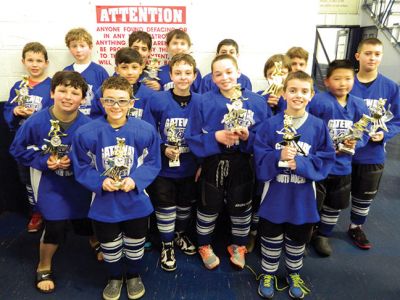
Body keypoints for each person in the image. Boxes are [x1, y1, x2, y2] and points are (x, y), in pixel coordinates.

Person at [72, 76, 161, 300]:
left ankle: (132, 275)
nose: (116, 106)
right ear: (101, 102)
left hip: (135, 199)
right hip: (104, 201)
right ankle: (114, 277)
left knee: (135, 241)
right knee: (109, 245)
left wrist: (137, 180)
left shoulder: (146, 130)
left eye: (122, 101)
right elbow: (81, 165)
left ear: (132, 103)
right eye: (110, 101)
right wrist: (99, 182)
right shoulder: (87, 132)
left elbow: (152, 163)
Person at [9, 71, 93, 294]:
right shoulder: (35, 122)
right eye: (62, 91)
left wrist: (75, 162)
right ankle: (44, 264)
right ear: (52, 92)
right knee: (55, 225)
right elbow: (17, 150)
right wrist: (44, 161)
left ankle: (95, 241)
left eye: (74, 93)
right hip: (50, 183)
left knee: (89, 217)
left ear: (83, 99)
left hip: (79, 184)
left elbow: (96, 156)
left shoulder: (88, 125)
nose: (67, 96)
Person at [254, 71, 335, 299]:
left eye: (303, 91)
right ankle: (268, 273)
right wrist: (278, 156)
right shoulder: (270, 125)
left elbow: (326, 158)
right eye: (292, 90)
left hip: (302, 196)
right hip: (275, 194)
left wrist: (298, 163)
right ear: (283, 93)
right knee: (271, 237)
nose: (298, 95)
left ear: (311, 95)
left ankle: (293, 273)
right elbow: (259, 158)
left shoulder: (318, 127)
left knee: (298, 238)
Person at [185, 54, 270, 270]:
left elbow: (266, 140)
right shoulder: (202, 101)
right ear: (212, 78)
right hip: (213, 161)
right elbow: (191, 136)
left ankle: (239, 246)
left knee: (242, 207)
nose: (224, 77)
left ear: (239, 73)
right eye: (218, 74)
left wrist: (248, 137)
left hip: (243, 163)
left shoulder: (257, 102)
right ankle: (204, 245)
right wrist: (215, 137)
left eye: (229, 72)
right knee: (207, 206)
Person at [145, 53, 201, 271]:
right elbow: (149, 130)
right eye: (178, 73)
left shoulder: (201, 101)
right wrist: (162, 148)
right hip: (164, 168)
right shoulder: (157, 99)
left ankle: (179, 235)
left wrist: (202, 163)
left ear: (195, 75)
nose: (183, 77)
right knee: (165, 207)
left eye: (188, 73)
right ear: (170, 75)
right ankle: (167, 244)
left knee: (185, 206)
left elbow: (206, 133)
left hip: (189, 166)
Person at [308, 59, 370, 257]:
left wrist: (356, 143)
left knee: (335, 204)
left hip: (343, 166)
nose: (343, 83)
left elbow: (365, 131)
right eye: (337, 78)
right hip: (319, 165)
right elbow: (309, 127)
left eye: (348, 78)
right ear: (327, 81)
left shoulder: (359, 105)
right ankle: (307, 232)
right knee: (312, 202)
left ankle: (323, 234)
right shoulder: (319, 102)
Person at [348, 38, 400, 249]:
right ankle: (321, 230)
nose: (373, 58)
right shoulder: (346, 82)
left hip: (372, 152)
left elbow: (397, 119)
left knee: (364, 194)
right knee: (334, 193)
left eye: (377, 54)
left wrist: (384, 135)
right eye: (368, 53)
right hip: (343, 151)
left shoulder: (391, 87)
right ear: (358, 56)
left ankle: (355, 227)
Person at [3, 41, 53, 233]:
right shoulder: (19, 86)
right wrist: (16, 110)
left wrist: (36, 117)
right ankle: (36, 212)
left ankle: (50, 210)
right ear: (23, 61)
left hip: (43, 143)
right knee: (26, 179)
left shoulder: (51, 86)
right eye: (30, 60)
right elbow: (8, 111)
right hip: (22, 142)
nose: (34, 64)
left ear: (46, 63)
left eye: (39, 60)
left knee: (46, 177)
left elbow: (54, 113)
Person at [91, 47, 154, 121]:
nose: (130, 72)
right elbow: (95, 121)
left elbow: (150, 126)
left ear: (140, 70)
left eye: (134, 67)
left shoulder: (150, 95)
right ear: (117, 70)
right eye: (124, 67)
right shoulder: (102, 92)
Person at [64, 27, 109, 116]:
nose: (78, 50)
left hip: (94, 119)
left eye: (82, 46)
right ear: (69, 48)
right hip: (71, 119)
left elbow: (107, 97)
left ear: (90, 47)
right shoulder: (66, 72)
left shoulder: (100, 71)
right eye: (74, 46)